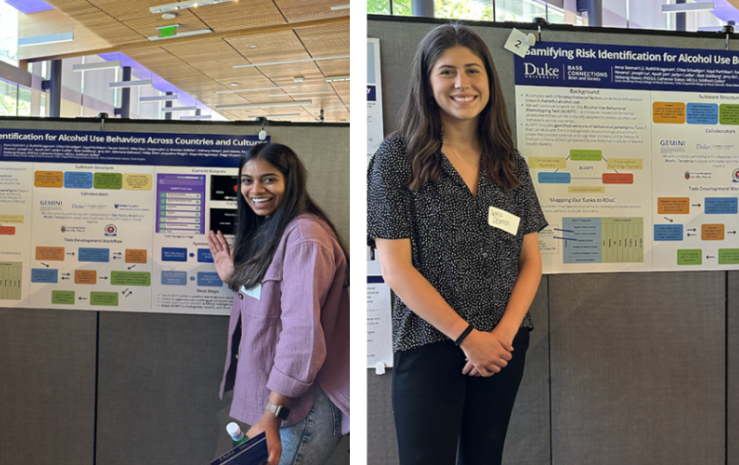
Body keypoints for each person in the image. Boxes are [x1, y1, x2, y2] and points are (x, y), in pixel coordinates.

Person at [367, 23, 546, 465]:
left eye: (473, 70)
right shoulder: (396, 158)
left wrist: (498, 338)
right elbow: (395, 269)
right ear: (427, 84)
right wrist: (468, 338)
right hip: (430, 342)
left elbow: (531, 262)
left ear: (489, 79)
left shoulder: (509, 162)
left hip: (503, 345)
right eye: (447, 72)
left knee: (485, 458)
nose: (462, 84)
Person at [208, 143, 349, 465]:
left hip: (297, 406)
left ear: (291, 181)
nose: (255, 189)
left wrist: (273, 412)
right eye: (246, 180)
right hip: (274, 400)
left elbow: (301, 335)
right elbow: (272, 304)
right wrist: (235, 278)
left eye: (268, 179)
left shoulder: (305, 236)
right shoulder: (273, 230)